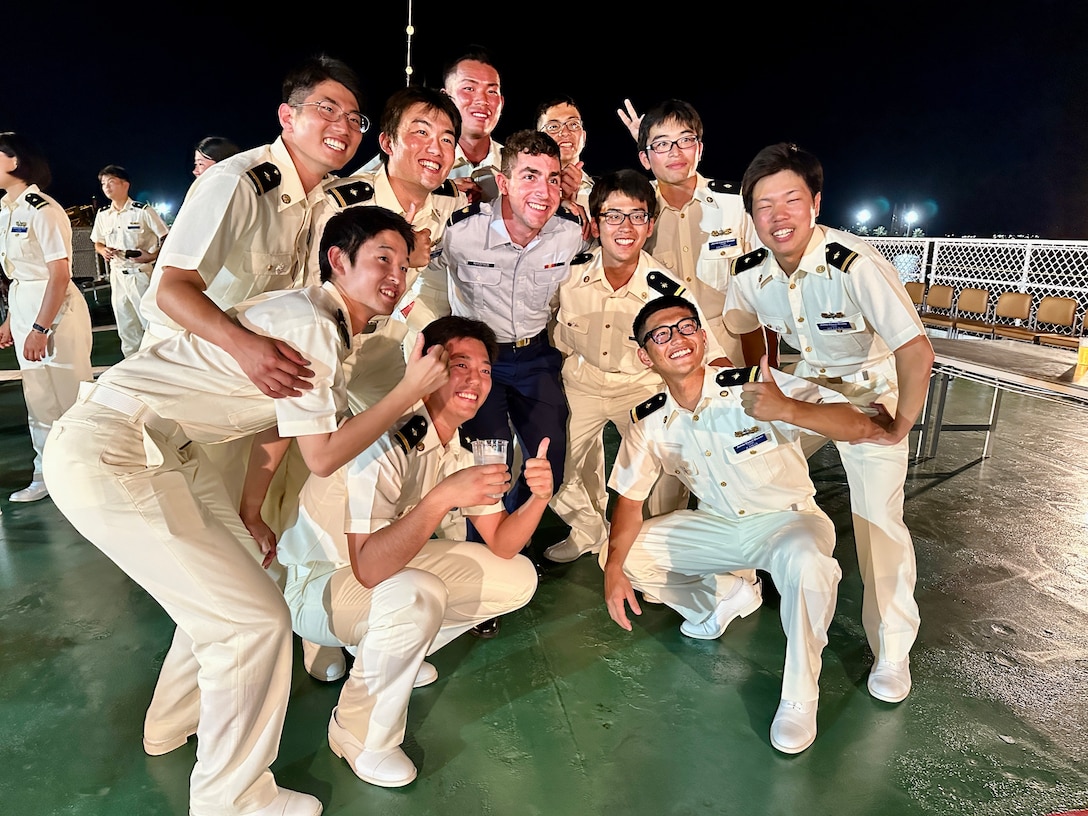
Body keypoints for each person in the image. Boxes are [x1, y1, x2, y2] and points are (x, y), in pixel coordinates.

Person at [41, 206, 450, 816]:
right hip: (116, 450)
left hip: (163, 451)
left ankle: (173, 721)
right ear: (338, 261)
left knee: (248, 581)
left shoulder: (326, 324)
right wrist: (407, 392)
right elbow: (322, 455)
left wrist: (251, 510)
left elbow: (279, 424)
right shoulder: (316, 325)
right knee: (252, 623)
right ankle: (230, 798)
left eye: (403, 260)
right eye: (380, 259)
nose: (395, 274)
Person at [603, 295, 890, 754]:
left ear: (701, 335)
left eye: (685, 327)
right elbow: (630, 502)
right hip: (719, 527)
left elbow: (855, 419)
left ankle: (800, 697)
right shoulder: (650, 421)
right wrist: (614, 572)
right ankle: (717, 603)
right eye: (660, 335)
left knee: (806, 563)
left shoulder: (756, 384)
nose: (676, 339)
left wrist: (789, 410)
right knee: (621, 552)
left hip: (787, 521)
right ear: (645, 355)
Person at [265, 315, 543, 788]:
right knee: (417, 595)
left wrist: (538, 497)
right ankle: (356, 732)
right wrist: (441, 498)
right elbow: (370, 568)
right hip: (318, 581)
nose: (475, 380)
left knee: (518, 578)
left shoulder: (458, 449)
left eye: (484, 370)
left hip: (372, 571)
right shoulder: (387, 442)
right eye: (459, 365)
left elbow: (503, 543)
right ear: (426, 367)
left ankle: (379, 650)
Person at [724, 142, 935, 705]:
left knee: (876, 521)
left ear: (816, 202)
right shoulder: (750, 272)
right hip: (808, 376)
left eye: (791, 199)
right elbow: (739, 323)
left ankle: (892, 645)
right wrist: (757, 374)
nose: (778, 215)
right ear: (752, 217)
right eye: (764, 205)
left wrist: (902, 423)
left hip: (869, 387)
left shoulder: (855, 264)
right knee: (739, 449)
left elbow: (915, 351)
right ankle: (736, 580)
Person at [414, 129, 584, 636]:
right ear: (503, 182)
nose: (543, 189)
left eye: (552, 179)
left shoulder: (569, 232)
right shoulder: (460, 231)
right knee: (486, 463)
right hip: (478, 365)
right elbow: (421, 262)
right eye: (529, 176)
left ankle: (511, 533)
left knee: (547, 457)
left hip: (535, 358)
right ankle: (480, 563)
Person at [546, 169, 728, 563]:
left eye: (637, 215)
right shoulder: (568, 273)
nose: (625, 227)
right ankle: (589, 531)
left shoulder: (666, 288)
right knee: (555, 468)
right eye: (613, 215)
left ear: (650, 225)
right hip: (582, 382)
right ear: (595, 224)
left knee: (667, 472)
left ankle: (655, 552)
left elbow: (708, 348)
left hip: (642, 386)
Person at [319, 84, 467, 410]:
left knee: (412, 436)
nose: (436, 148)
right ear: (387, 142)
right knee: (310, 455)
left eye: (446, 139)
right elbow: (312, 284)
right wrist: (399, 257)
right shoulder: (340, 204)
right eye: (420, 133)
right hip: (322, 342)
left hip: (380, 345)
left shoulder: (450, 200)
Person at [619, 99, 769, 366]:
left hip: (730, 354)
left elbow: (763, 291)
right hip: (663, 357)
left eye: (685, 140)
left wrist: (765, 371)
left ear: (699, 149)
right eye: (663, 144)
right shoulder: (635, 213)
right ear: (644, 158)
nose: (675, 152)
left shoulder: (737, 204)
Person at [0, 132, 93, 504]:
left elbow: (59, 274)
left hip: (56, 311)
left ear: (16, 161)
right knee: (37, 397)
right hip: (25, 303)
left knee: (71, 395)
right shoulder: (6, 212)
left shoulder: (43, 209)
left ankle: (87, 474)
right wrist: (12, 321)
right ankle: (46, 474)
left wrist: (40, 328)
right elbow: (18, 273)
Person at [90, 164, 169, 357]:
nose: (106, 187)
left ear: (125, 185)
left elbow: (167, 238)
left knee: (151, 324)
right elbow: (97, 242)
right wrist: (103, 251)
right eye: (103, 184)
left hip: (141, 275)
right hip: (117, 277)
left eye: (111, 182)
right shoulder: (103, 215)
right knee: (126, 327)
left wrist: (151, 256)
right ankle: (133, 367)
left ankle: (161, 365)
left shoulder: (142, 211)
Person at [536, 95, 593, 215]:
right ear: (538, 139)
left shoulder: (602, 191)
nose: (565, 133)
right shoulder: (527, 190)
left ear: (583, 136)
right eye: (553, 127)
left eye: (573, 124)